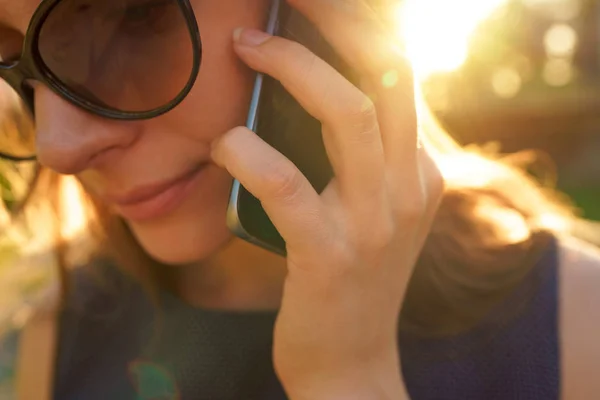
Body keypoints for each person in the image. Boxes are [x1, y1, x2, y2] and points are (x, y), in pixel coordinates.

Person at [0, 0, 599, 399]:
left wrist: (350, 380)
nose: (58, 147)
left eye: (128, 19)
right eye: (9, 53)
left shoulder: (575, 326)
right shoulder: (46, 336)